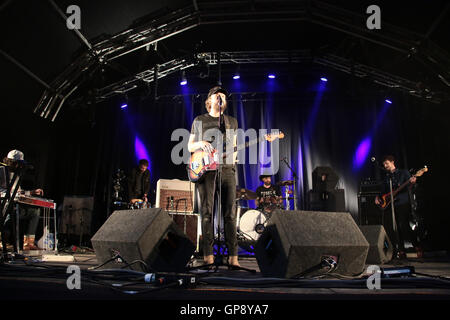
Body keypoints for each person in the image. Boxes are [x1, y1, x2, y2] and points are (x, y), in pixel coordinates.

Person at [188, 86, 239, 267]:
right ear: (209, 100)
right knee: (207, 213)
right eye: (217, 95)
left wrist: (232, 156)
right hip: (206, 171)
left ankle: (233, 257)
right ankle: (208, 256)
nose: (221, 97)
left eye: (223, 96)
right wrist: (201, 142)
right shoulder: (199, 120)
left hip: (227, 170)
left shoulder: (231, 121)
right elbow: (189, 147)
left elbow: (232, 145)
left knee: (230, 215)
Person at [375, 155, 422, 259]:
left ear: (392, 162)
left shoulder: (403, 173)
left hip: (403, 202)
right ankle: (401, 250)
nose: (385, 165)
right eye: (384, 164)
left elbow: (410, 186)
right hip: (392, 205)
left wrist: (412, 183)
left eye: (387, 163)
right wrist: (378, 197)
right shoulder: (387, 177)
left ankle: (417, 246)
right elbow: (383, 191)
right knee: (395, 228)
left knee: (404, 225)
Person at [2, 150, 43, 250]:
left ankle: (28, 243)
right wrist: (12, 195)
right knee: (9, 210)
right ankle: (2, 240)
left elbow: (18, 191)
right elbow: (3, 191)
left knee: (35, 212)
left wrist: (31, 192)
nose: (20, 167)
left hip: (14, 205)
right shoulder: (2, 172)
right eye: (19, 164)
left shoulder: (16, 175)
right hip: (4, 205)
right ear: (13, 163)